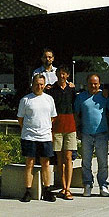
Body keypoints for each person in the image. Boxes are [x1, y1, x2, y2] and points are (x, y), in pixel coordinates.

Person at [17, 74, 57, 202]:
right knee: (30, 163)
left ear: (44, 85)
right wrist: (30, 129)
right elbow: (20, 119)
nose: (39, 87)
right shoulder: (25, 100)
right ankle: (28, 191)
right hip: (29, 136)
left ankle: (47, 190)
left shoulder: (49, 99)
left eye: (41, 84)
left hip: (45, 136)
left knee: (46, 163)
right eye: (36, 84)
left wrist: (44, 127)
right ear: (32, 84)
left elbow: (53, 117)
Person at [74, 73, 109, 197]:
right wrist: (77, 130)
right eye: (91, 83)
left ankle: (103, 185)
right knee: (86, 161)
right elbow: (76, 115)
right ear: (86, 84)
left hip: (102, 133)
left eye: (95, 83)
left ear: (99, 84)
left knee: (103, 161)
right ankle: (87, 184)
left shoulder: (105, 96)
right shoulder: (80, 97)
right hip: (86, 134)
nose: (93, 86)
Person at [45, 65, 77, 200]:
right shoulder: (51, 90)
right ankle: (63, 187)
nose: (62, 76)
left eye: (64, 74)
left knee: (69, 157)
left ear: (68, 75)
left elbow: (76, 107)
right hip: (57, 127)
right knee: (59, 159)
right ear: (56, 75)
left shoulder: (72, 89)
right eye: (60, 73)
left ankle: (68, 188)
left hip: (70, 126)